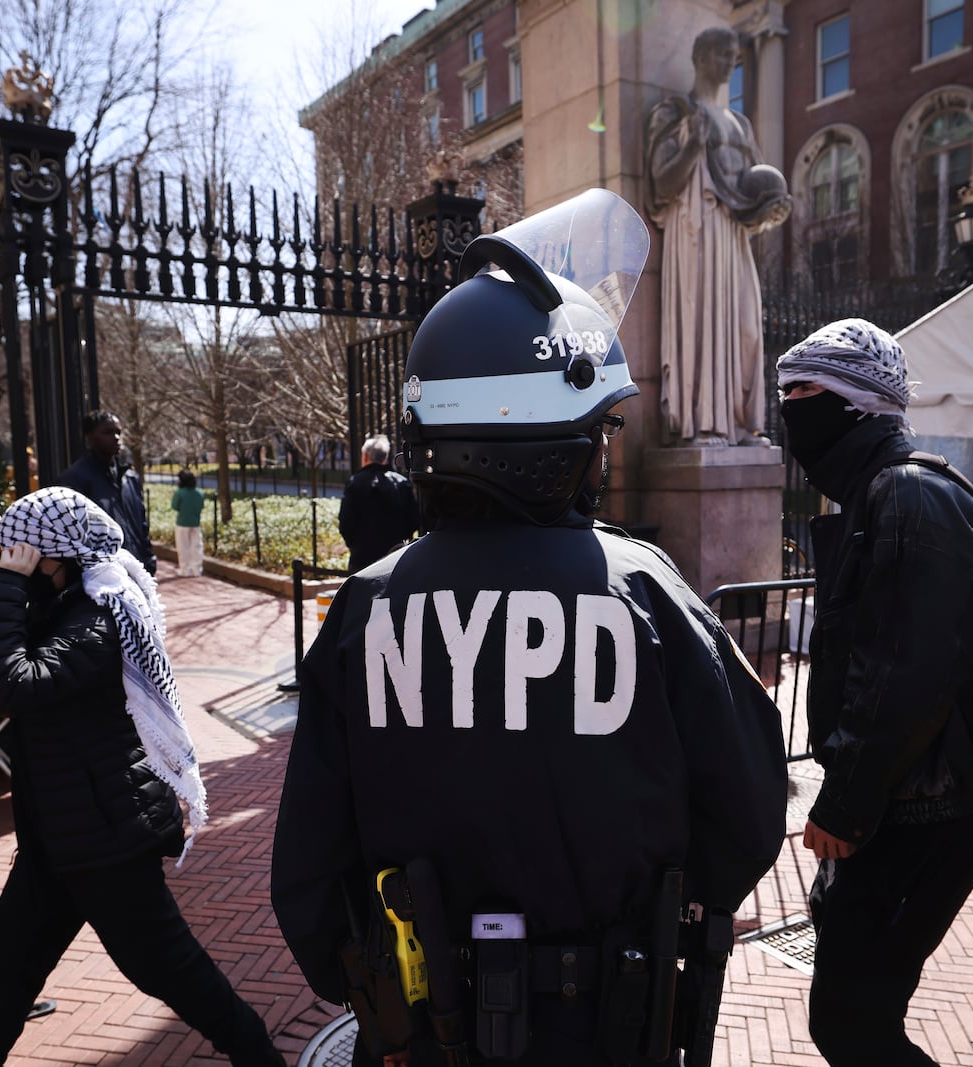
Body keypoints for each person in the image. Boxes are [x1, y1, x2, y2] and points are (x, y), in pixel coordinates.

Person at [271, 190, 789, 1066]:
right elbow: (747, 813)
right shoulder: (649, 593)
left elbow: (309, 883)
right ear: (563, 439)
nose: (604, 449)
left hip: (421, 1034)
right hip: (612, 1030)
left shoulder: (364, 607)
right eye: (601, 428)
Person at [0, 486, 283, 1067]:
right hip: (57, 836)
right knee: (7, 968)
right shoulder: (52, 602)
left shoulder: (97, 616)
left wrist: (1, 581)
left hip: (104, 838)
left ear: (56, 556)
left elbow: (9, 685)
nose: (13, 557)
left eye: (21, 548)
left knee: (174, 974)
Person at [775, 318, 973, 1066]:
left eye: (803, 389)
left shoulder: (907, 496)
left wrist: (845, 804)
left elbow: (905, 670)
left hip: (918, 817)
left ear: (858, 402)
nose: (788, 406)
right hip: (897, 812)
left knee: (854, 1026)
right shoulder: (875, 496)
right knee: (850, 1021)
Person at [645, 25, 791, 445]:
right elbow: (660, 184)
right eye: (722, 54)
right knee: (701, 318)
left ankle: (739, 423)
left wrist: (771, 210)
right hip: (695, 226)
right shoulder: (674, 112)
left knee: (744, 326)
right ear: (700, 57)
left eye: (733, 55)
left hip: (731, 235)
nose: (730, 62)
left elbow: (752, 197)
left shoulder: (741, 125)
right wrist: (693, 146)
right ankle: (702, 423)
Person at [57, 410, 157, 575]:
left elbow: (141, 523)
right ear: (90, 437)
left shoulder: (129, 477)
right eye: (108, 432)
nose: (116, 437)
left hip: (138, 569)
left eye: (118, 432)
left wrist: (149, 559)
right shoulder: (74, 479)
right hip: (104, 575)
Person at [337, 433, 419, 573]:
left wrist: (356, 545)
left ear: (365, 456)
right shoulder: (402, 483)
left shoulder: (354, 482)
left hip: (362, 558)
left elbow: (346, 522)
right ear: (385, 457)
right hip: (394, 557)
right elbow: (414, 521)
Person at [171, 469, 206, 577]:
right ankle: (197, 569)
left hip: (182, 523)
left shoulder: (180, 493)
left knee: (183, 547)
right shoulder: (200, 493)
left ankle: (185, 570)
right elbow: (201, 506)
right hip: (195, 523)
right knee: (196, 546)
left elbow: (175, 506)